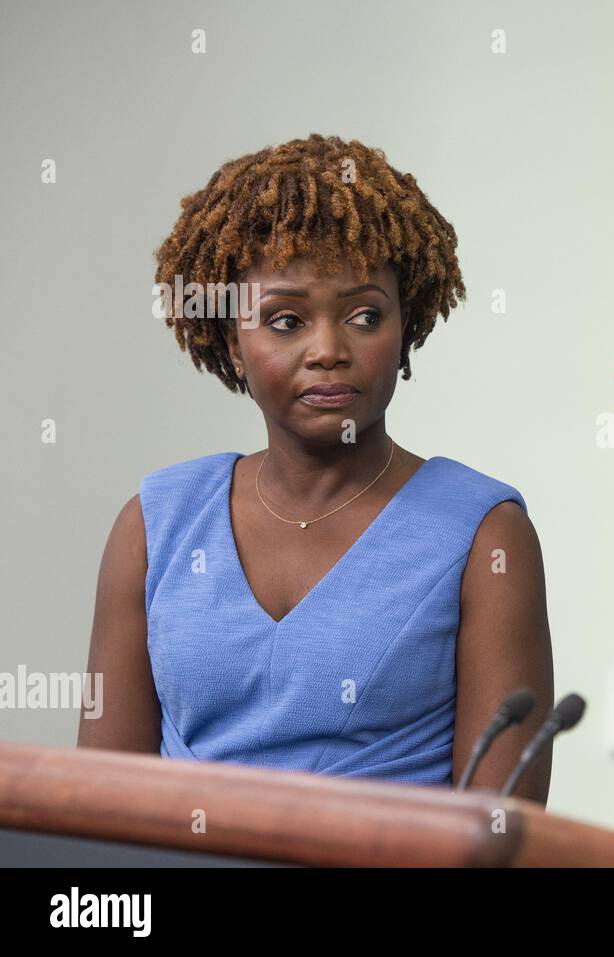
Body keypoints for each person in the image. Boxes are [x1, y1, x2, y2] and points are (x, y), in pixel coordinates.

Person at [80, 134, 553, 803]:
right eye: (285, 320)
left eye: (364, 314)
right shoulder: (154, 526)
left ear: (406, 324)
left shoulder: (484, 537)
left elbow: (505, 833)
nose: (328, 349)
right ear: (231, 343)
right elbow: (98, 814)